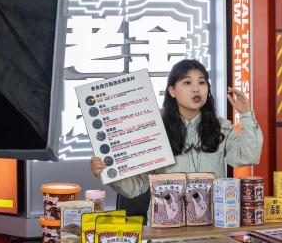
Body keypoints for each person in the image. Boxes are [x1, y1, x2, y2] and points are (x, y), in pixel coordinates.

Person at [90, 59, 263, 200]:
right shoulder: (153, 129)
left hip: (212, 224)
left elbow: (249, 156)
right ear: (172, 90)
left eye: (202, 82)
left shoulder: (221, 128)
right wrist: (109, 171)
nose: (196, 88)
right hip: (166, 225)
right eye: (187, 82)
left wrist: (246, 114)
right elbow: (136, 187)